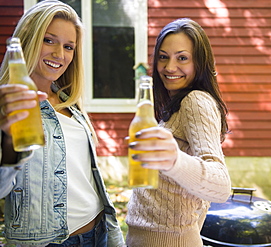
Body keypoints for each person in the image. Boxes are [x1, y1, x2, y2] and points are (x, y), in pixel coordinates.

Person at [0, 1, 124, 246]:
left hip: (100, 231)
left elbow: (89, 179)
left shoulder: (71, 104)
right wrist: (10, 141)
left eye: (69, 46)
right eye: (49, 40)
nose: (60, 54)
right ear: (28, 39)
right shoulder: (7, 108)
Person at [125, 18, 231, 247]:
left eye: (182, 58)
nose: (170, 67)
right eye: (163, 57)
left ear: (199, 63)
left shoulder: (195, 101)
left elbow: (221, 186)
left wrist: (173, 160)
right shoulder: (175, 104)